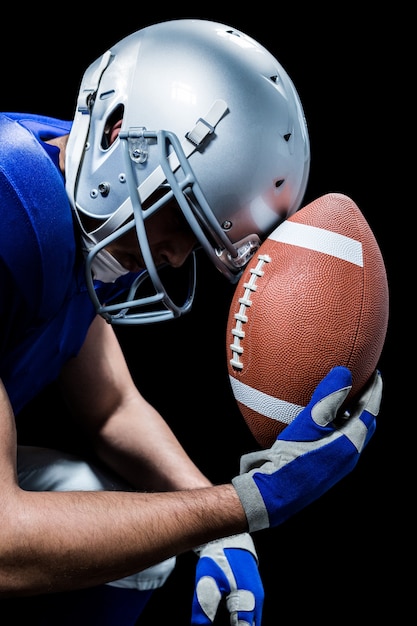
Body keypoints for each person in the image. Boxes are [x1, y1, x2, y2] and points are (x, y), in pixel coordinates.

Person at [0, 18, 383, 626]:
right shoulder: (9, 211)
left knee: (132, 547)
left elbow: (110, 406)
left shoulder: (93, 200)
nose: (176, 256)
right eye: (180, 211)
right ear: (120, 131)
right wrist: (240, 507)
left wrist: (216, 530)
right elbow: (3, 542)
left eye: (203, 239)